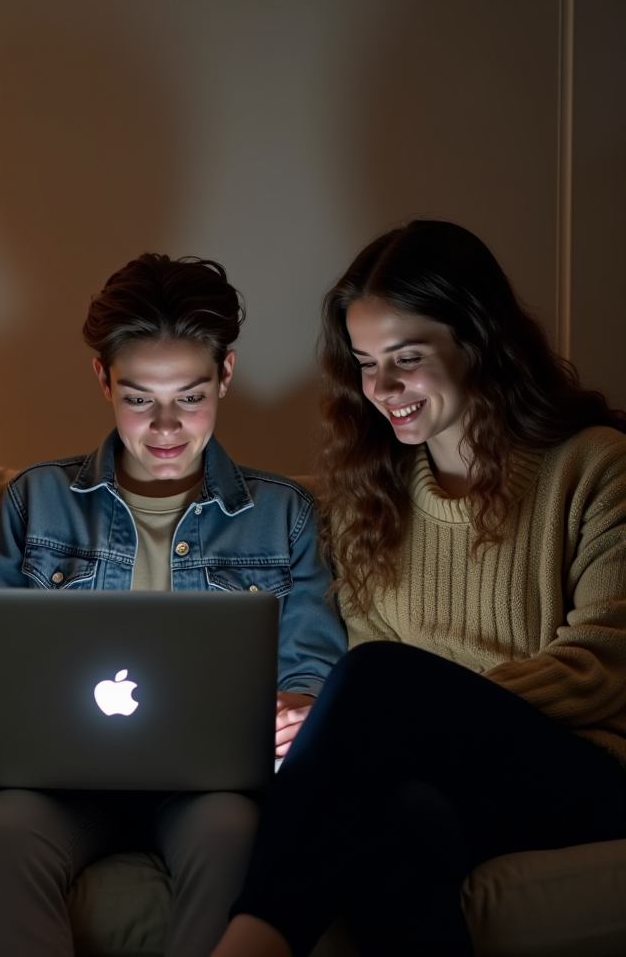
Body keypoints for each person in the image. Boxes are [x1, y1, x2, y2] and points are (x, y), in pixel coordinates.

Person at [212, 219, 626, 957]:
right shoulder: (369, 497)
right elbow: (377, 665)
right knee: (398, 822)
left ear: (478, 341)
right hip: (425, 768)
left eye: (407, 358)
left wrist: (403, 713)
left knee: (373, 683)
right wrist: (344, 719)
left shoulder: (596, 466)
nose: (383, 388)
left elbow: (600, 668)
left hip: (579, 765)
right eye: (366, 362)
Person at [0, 253, 347, 957]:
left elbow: (311, 662)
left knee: (234, 834)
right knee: (3, 830)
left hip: (205, 785)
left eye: (191, 396)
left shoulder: (284, 515)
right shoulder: (36, 501)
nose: (166, 426)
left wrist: (298, 704)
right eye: (140, 397)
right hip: (63, 780)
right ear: (102, 379)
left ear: (226, 375)